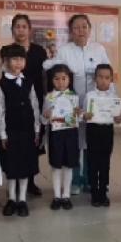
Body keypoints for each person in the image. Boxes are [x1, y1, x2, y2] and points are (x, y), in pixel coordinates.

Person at [43, 14, 112, 196]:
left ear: (90, 29)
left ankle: (89, 179)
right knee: (74, 143)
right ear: (71, 31)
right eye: (76, 27)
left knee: (90, 142)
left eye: (84, 26)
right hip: (70, 104)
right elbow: (52, 68)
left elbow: (108, 75)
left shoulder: (99, 49)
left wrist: (112, 100)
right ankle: (75, 180)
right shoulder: (65, 50)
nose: (80, 31)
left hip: (94, 104)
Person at [2, 14, 47, 197]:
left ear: (29, 30)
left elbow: (44, 77)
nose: (20, 30)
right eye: (17, 26)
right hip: (13, 100)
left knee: (32, 142)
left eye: (24, 26)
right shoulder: (7, 50)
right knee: (14, 145)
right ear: (12, 30)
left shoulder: (39, 51)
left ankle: (31, 181)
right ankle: (13, 181)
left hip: (34, 100)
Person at [0, 44, 41, 217]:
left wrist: (37, 129)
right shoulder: (1, 84)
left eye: (21, 59)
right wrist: (2, 134)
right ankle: (11, 199)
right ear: (6, 62)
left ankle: (22, 199)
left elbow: (35, 106)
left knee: (24, 166)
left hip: (27, 131)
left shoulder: (28, 82)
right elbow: (0, 110)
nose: (18, 63)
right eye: (14, 59)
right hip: (11, 132)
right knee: (12, 167)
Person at [83, 64, 121, 207]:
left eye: (107, 78)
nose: (103, 80)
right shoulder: (89, 96)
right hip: (93, 130)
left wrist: (119, 118)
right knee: (93, 162)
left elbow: (117, 119)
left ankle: (103, 192)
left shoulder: (114, 97)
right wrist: (85, 115)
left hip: (107, 131)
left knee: (105, 163)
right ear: (95, 78)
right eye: (100, 77)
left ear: (111, 79)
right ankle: (94, 192)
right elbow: (84, 115)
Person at [42, 64, 80, 211]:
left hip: (70, 134)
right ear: (51, 80)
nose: (60, 82)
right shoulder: (49, 97)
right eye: (56, 79)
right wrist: (46, 115)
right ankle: (57, 196)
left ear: (69, 79)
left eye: (64, 78)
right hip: (56, 134)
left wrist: (79, 114)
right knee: (56, 165)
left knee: (68, 165)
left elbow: (78, 118)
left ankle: (66, 195)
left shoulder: (74, 97)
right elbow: (44, 119)